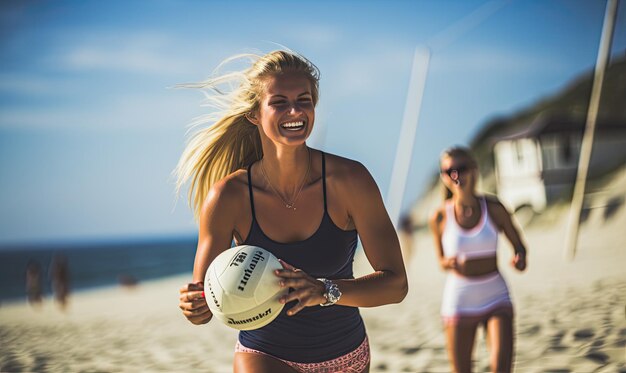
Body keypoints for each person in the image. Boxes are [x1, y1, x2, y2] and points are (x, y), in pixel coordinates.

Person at [176, 50, 408, 373]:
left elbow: (396, 285)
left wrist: (324, 290)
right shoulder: (228, 197)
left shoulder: (350, 181)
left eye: (304, 100)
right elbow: (206, 297)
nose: (295, 111)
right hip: (263, 354)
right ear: (255, 113)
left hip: (345, 355)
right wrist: (196, 307)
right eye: (279, 102)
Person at [429, 146, 528, 373]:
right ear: (443, 177)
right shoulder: (439, 216)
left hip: (496, 295)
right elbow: (441, 262)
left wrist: (520, 258)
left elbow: (519, 245)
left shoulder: (494, 208)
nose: (455, 176)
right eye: (448, 171)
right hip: (460, 299)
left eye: (461, 169)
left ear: (474, 170)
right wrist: (451, 263)